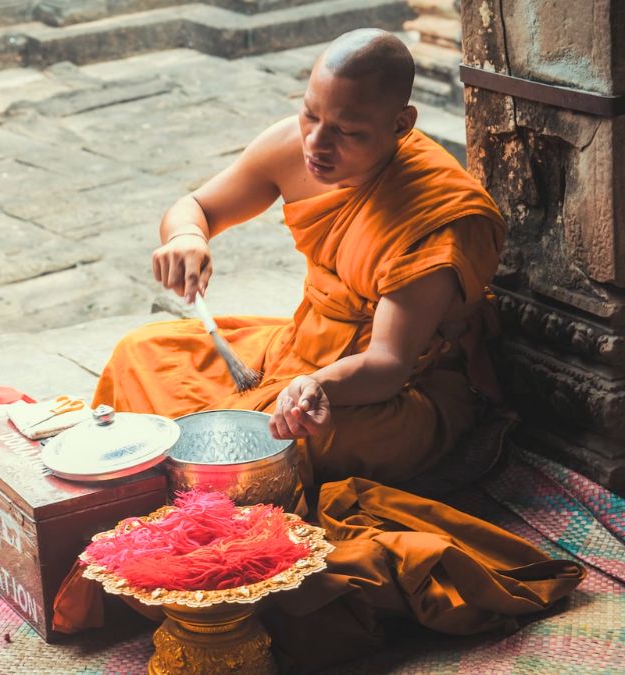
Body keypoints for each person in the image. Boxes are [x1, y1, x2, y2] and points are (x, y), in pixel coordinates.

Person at [79, 29, 583, 670]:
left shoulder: (437, 214)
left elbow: (387, 365)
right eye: (311, 113)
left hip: (395, 390)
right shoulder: (300, 144)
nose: (317, 144)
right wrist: (187, 238)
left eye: (348, 131)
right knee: (140, 353)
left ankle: (217, 565)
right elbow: (199, 204)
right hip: (297, 343)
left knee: (277, 448)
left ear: (401, 124)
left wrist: (319, 388)